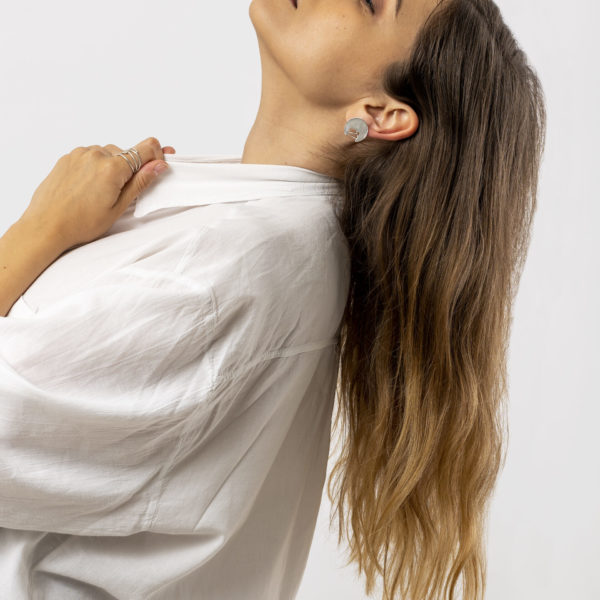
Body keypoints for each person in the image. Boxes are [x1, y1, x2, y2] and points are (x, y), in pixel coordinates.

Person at [0, 1, 546, 599]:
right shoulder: (260, 231)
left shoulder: (225, 267)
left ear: (382, 114)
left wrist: (37, 232)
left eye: (370, 2)